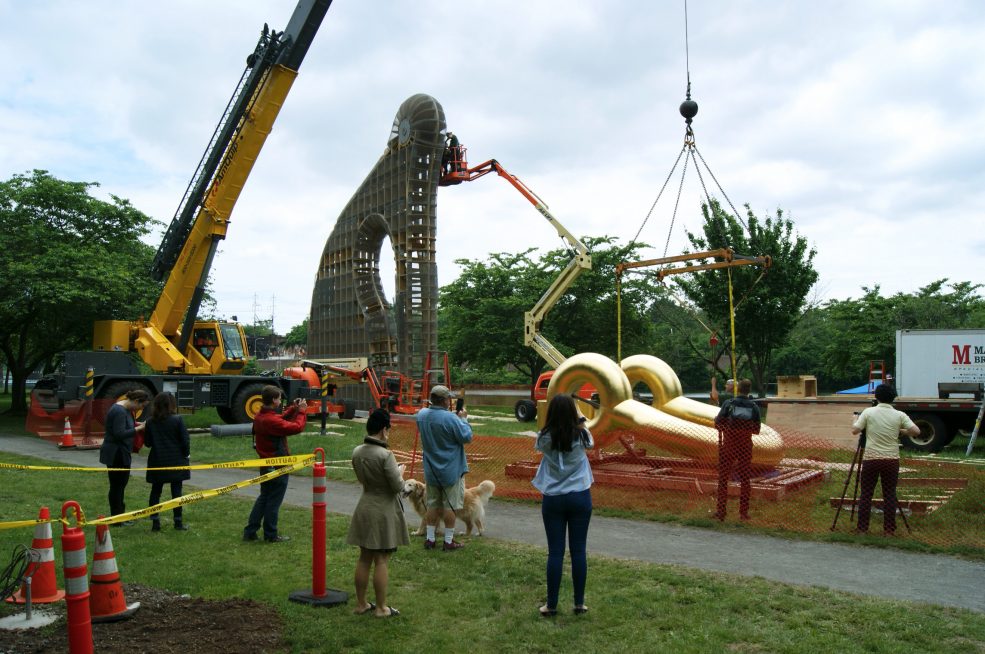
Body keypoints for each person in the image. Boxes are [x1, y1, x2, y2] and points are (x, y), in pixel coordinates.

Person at [532, 393, 594, 617]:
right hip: (580, 495)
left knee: (555, 552)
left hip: (553, 497)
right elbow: (590, 438)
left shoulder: (544, 437)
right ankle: (579, 603)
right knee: (578, 551)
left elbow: (539, 444)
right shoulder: (582, 436)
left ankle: (551, 604)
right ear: (572, 413)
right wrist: (580, 416)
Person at [346, 409, 408, 618]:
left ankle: (361, 603)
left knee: (364, 557)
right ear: (383, 430)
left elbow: (363, 480)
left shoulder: (357, 451)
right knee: (381, 559)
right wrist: (400, 472)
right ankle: (382, 608)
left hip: (365, 505)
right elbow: (398, 486)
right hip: (382, 510)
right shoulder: (385, 454)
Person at [851, 384, 920, 535]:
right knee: (889, 494)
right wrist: (900, 431)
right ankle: (889, 530)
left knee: (866, 494)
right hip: (891, 460)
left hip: (871, 459)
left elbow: (855, 430)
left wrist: (855, 419)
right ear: (893, 398)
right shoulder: (899, 415)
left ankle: (862, 529)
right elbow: (916, 431)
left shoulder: (869, 412)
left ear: (876, 397)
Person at [243, 386, 307, 543]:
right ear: (273, 400)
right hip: (278, 464)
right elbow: (296, 427)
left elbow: (280, 419)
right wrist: (301, 412)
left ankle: (251, 531)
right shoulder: (270, 420)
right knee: (274, 500)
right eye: (279, 398)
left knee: (264, 497)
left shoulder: (261, 415)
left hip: (265, 464)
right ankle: (271, 534)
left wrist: (293, 408)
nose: (280, 401)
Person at [416, 384, 472, 551]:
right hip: (451, 470)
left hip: (431, 469)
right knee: (450, 506)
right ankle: (448, 541)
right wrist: (463, 419)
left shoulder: (422, 415)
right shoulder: (451, 418)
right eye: (448, 398)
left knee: (432, 504)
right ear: (444, 400)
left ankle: (430, 539)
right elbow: (466, 437)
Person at [98, 389, 150, 524]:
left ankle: (120, 515)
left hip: (122, 452)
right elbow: (119, 433)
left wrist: (137, 424)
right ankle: (117, 518)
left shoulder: (126, 410)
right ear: (136, 401)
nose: (141, 409)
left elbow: (126, 426)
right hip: (116, 454)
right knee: (117, 486)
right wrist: (139, 428)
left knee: (120, 485)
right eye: (142, 406)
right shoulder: (119, 411)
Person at [714, 379, 761, 521]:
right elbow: (757, 430)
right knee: (745, 480)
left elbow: (718, 423)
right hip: (745, 447)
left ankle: (721, 512)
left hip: (729, 446)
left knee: (723, 478)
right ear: (749, 390)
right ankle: (743, 513)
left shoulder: (728, 404)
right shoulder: (754, 407)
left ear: (738, 389)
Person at [144, 391, 191, 532]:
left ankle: (155, 522)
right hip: (176, 461)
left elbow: (148, 443)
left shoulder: (150, 422)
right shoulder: (177, 420)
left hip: (157, 460)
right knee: (176, 492)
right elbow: (185, 441)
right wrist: (186, 454)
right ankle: (178, 522)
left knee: (155, 491)